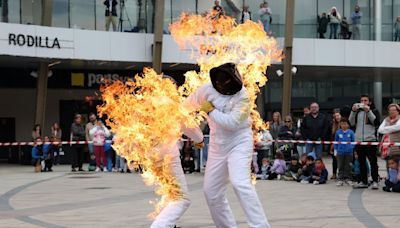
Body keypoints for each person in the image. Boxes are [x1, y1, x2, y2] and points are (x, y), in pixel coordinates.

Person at [185, 63, 270, 227]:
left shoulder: (244, 96)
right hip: (218, 145)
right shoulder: (205, 90)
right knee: (211, 192)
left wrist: (210, 111)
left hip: (239, 141)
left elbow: (232, 123)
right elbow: (185, 108)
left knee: (241, 183)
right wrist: (195, 135)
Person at [349, 95, 380, 189]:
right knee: (361, 161)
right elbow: (351, 123)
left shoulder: (374, 111)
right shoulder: (357, 112)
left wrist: (368, 111)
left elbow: (376, 122)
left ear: (369, 102)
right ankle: (364, 181)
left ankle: (375, 181)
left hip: (370, 140)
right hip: (359, 141)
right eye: (361, 100)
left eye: (365, 100)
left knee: (373, 161)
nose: (363, 102)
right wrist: (353, 111)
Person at [334, 118, 355, 186]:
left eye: (345, 124)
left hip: (349, 152)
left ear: (348, 125)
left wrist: (351, 148)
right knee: (340, 165)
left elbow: (353, 142)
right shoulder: (338, 132)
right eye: (342, 124)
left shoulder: (351, 132)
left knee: (348, 166)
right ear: (340, 124)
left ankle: (348, 178)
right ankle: (340, 178)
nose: (344, 125)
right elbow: (336, 142)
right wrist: (335, 150)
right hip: (340, 152)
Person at [329, 111, 341, 180]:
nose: (337, 117)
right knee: (334, 160)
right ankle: (334, 174)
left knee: (342, 160)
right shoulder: (332, 125)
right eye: (335, 116)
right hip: (335, 146)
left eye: (338, 115)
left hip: (342, 145)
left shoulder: (344, 124)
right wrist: (332, 146)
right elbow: (332, 137)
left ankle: (341, 173)